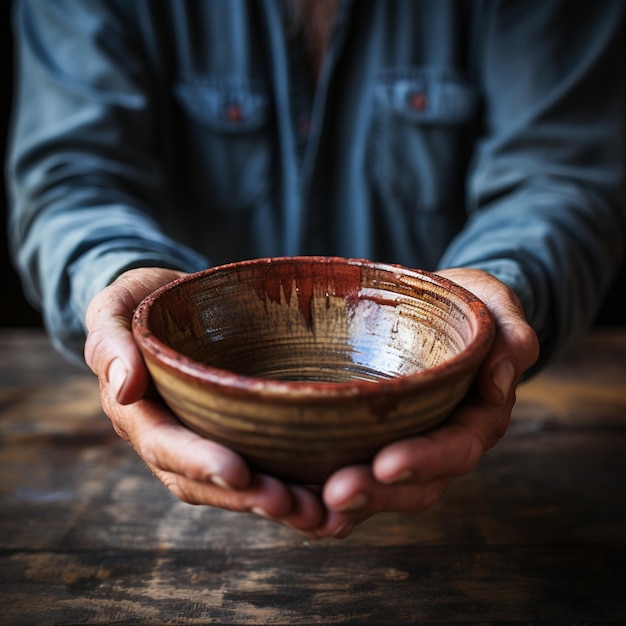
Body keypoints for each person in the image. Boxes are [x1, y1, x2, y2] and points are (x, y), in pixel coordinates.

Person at [6, 0, 624, 539]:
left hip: (475, 487)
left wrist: (497, 292)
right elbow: (69, 180)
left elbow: (560, 177)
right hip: (173, 484)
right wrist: (120, 277)